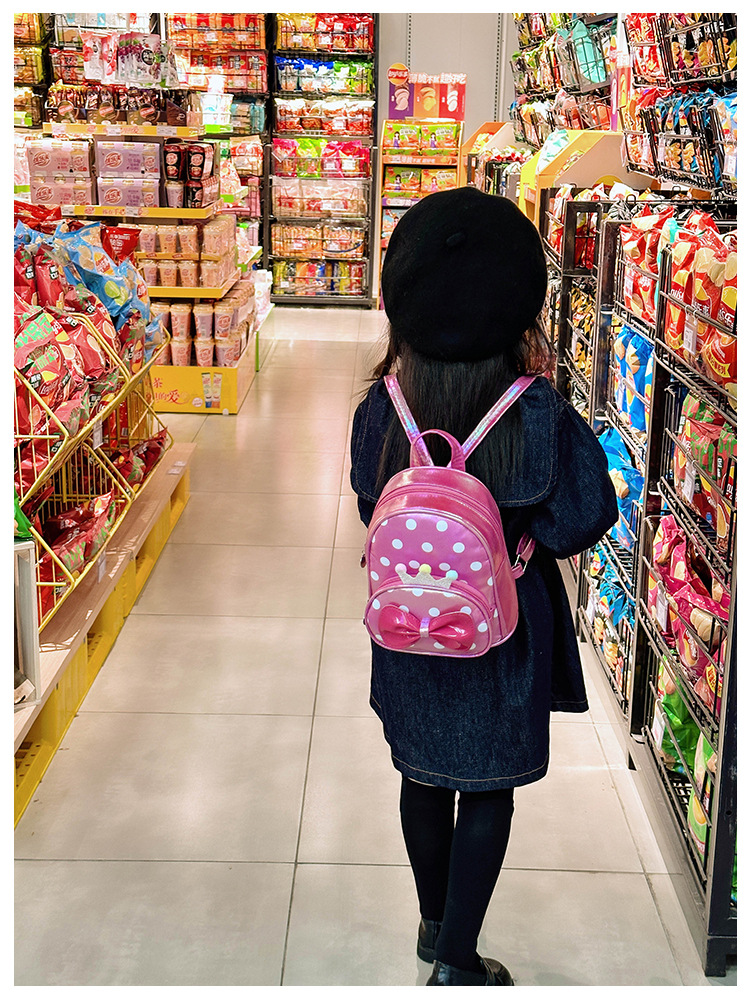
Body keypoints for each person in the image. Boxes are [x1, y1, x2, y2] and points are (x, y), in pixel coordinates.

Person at [349, 187, 618, 987]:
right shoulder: (538, 412)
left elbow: (370, 505)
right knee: (488, 786)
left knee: (421, 772)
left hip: (409, 621)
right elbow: (584, 517)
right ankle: (459, 963)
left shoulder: (385, 406)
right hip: (504, 626)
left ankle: (435, 926)